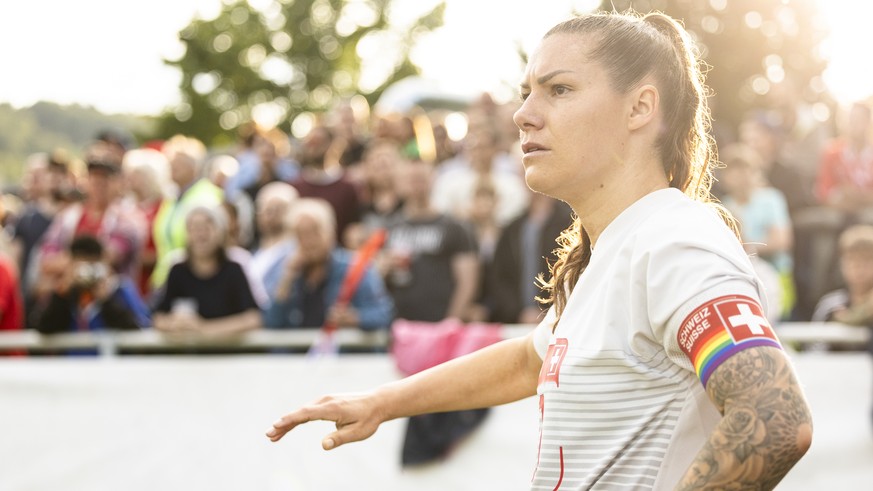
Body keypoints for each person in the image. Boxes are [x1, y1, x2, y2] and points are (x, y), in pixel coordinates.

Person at [266, 11, 812, 490]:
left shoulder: (672, 240)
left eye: (559, 89)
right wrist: (382, 404)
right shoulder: (618, 249)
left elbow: (775, 416)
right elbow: (529, 360)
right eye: (528, 90)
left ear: (640, 107)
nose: (523, 113)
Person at [264, 198, 393, 332]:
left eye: (314, 232)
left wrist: (354, 318)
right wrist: (286, 280)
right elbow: (271, 322)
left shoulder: (356, 268)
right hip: (296, 351)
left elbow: (384, 315)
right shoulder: (287, 270)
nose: (308, 241)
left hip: (340, 351)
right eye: (301, 235)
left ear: (330, 232)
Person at [152, 205, 261, 338]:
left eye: (207, 227)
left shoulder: (234, 270)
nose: (200, 234)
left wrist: (205, 328)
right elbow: (158, 317)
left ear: (220, 232)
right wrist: (175, 324)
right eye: (194, 228)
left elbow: (253, 319)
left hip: (229, 352)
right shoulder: (177, 271)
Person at [150, 135, 224, 291]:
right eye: (171, 163)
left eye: (179, 163)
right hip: (165, 278)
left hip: (191, 280)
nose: (173, 168)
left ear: (194, 167)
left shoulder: (206, 195)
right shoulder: (172, 198)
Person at [34, 235, 150, 333]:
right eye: (80, 267)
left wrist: (107, 301)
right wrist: (61, 295)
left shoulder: (120, 289)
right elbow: (44, 328)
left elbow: (138, 328)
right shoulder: (67, 294)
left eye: (91, 266)